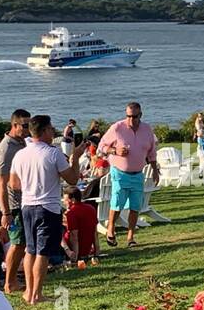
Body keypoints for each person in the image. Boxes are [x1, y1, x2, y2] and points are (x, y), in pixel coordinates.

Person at [9, 114, 72, 304]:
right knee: (42, 252)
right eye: (51, 128)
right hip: (48, 206)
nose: (53, 131)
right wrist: (75, 158)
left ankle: (29, 291)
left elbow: (13, 183)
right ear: (44, 131)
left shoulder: (20, 154)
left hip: (27, 205)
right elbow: (73, 179)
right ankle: (36, 294)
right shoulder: (53, 153)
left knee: (30, 249)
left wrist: (31, 185)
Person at [99, 102, 159, 248]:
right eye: (128, 116)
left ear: (140, 115)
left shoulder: (147, 129)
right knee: (117, 203)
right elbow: (102, 146)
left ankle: (131, 237)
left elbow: (151, 152)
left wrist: (155, 170)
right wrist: (115, 151)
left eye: (134, 116)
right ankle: (111, 229)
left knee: (135, 206)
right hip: (119, 172)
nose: (131, 119)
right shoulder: (117, 127)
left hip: (138, 173)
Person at [0, 109, 31, 295]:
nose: (28, 129)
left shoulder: (22, 143)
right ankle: (9, 282)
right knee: (17, 243)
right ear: (14, 125)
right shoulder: (6, 148)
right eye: (25, 125)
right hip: (14, 205)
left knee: (23, 243)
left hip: (26, 200)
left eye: (29, 125)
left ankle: (16, 279)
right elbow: (1, 183)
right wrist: (5, 212)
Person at [63, 185, 98, 262]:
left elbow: (74, 236)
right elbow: (95, 232)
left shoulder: (71, 213)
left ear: (72, 200)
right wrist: (97, 251)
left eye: (65, 200)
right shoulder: (91, 208)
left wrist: (76, 256)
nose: (64, 202)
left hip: (74, 251)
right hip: (87, 249)